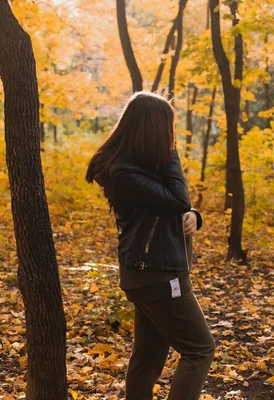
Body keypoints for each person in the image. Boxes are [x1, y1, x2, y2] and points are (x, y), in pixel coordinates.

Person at [86, 91, 215, 399]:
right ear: (153, 129)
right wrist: (172, 153)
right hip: (157, 274)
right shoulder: (123, 173)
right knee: (199, 349)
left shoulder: (141, 167)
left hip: (154, 272)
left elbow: (174, 206)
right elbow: (176, 199)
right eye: (168, 129)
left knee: (147, 360)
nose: (171, 136)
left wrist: (193, 216)